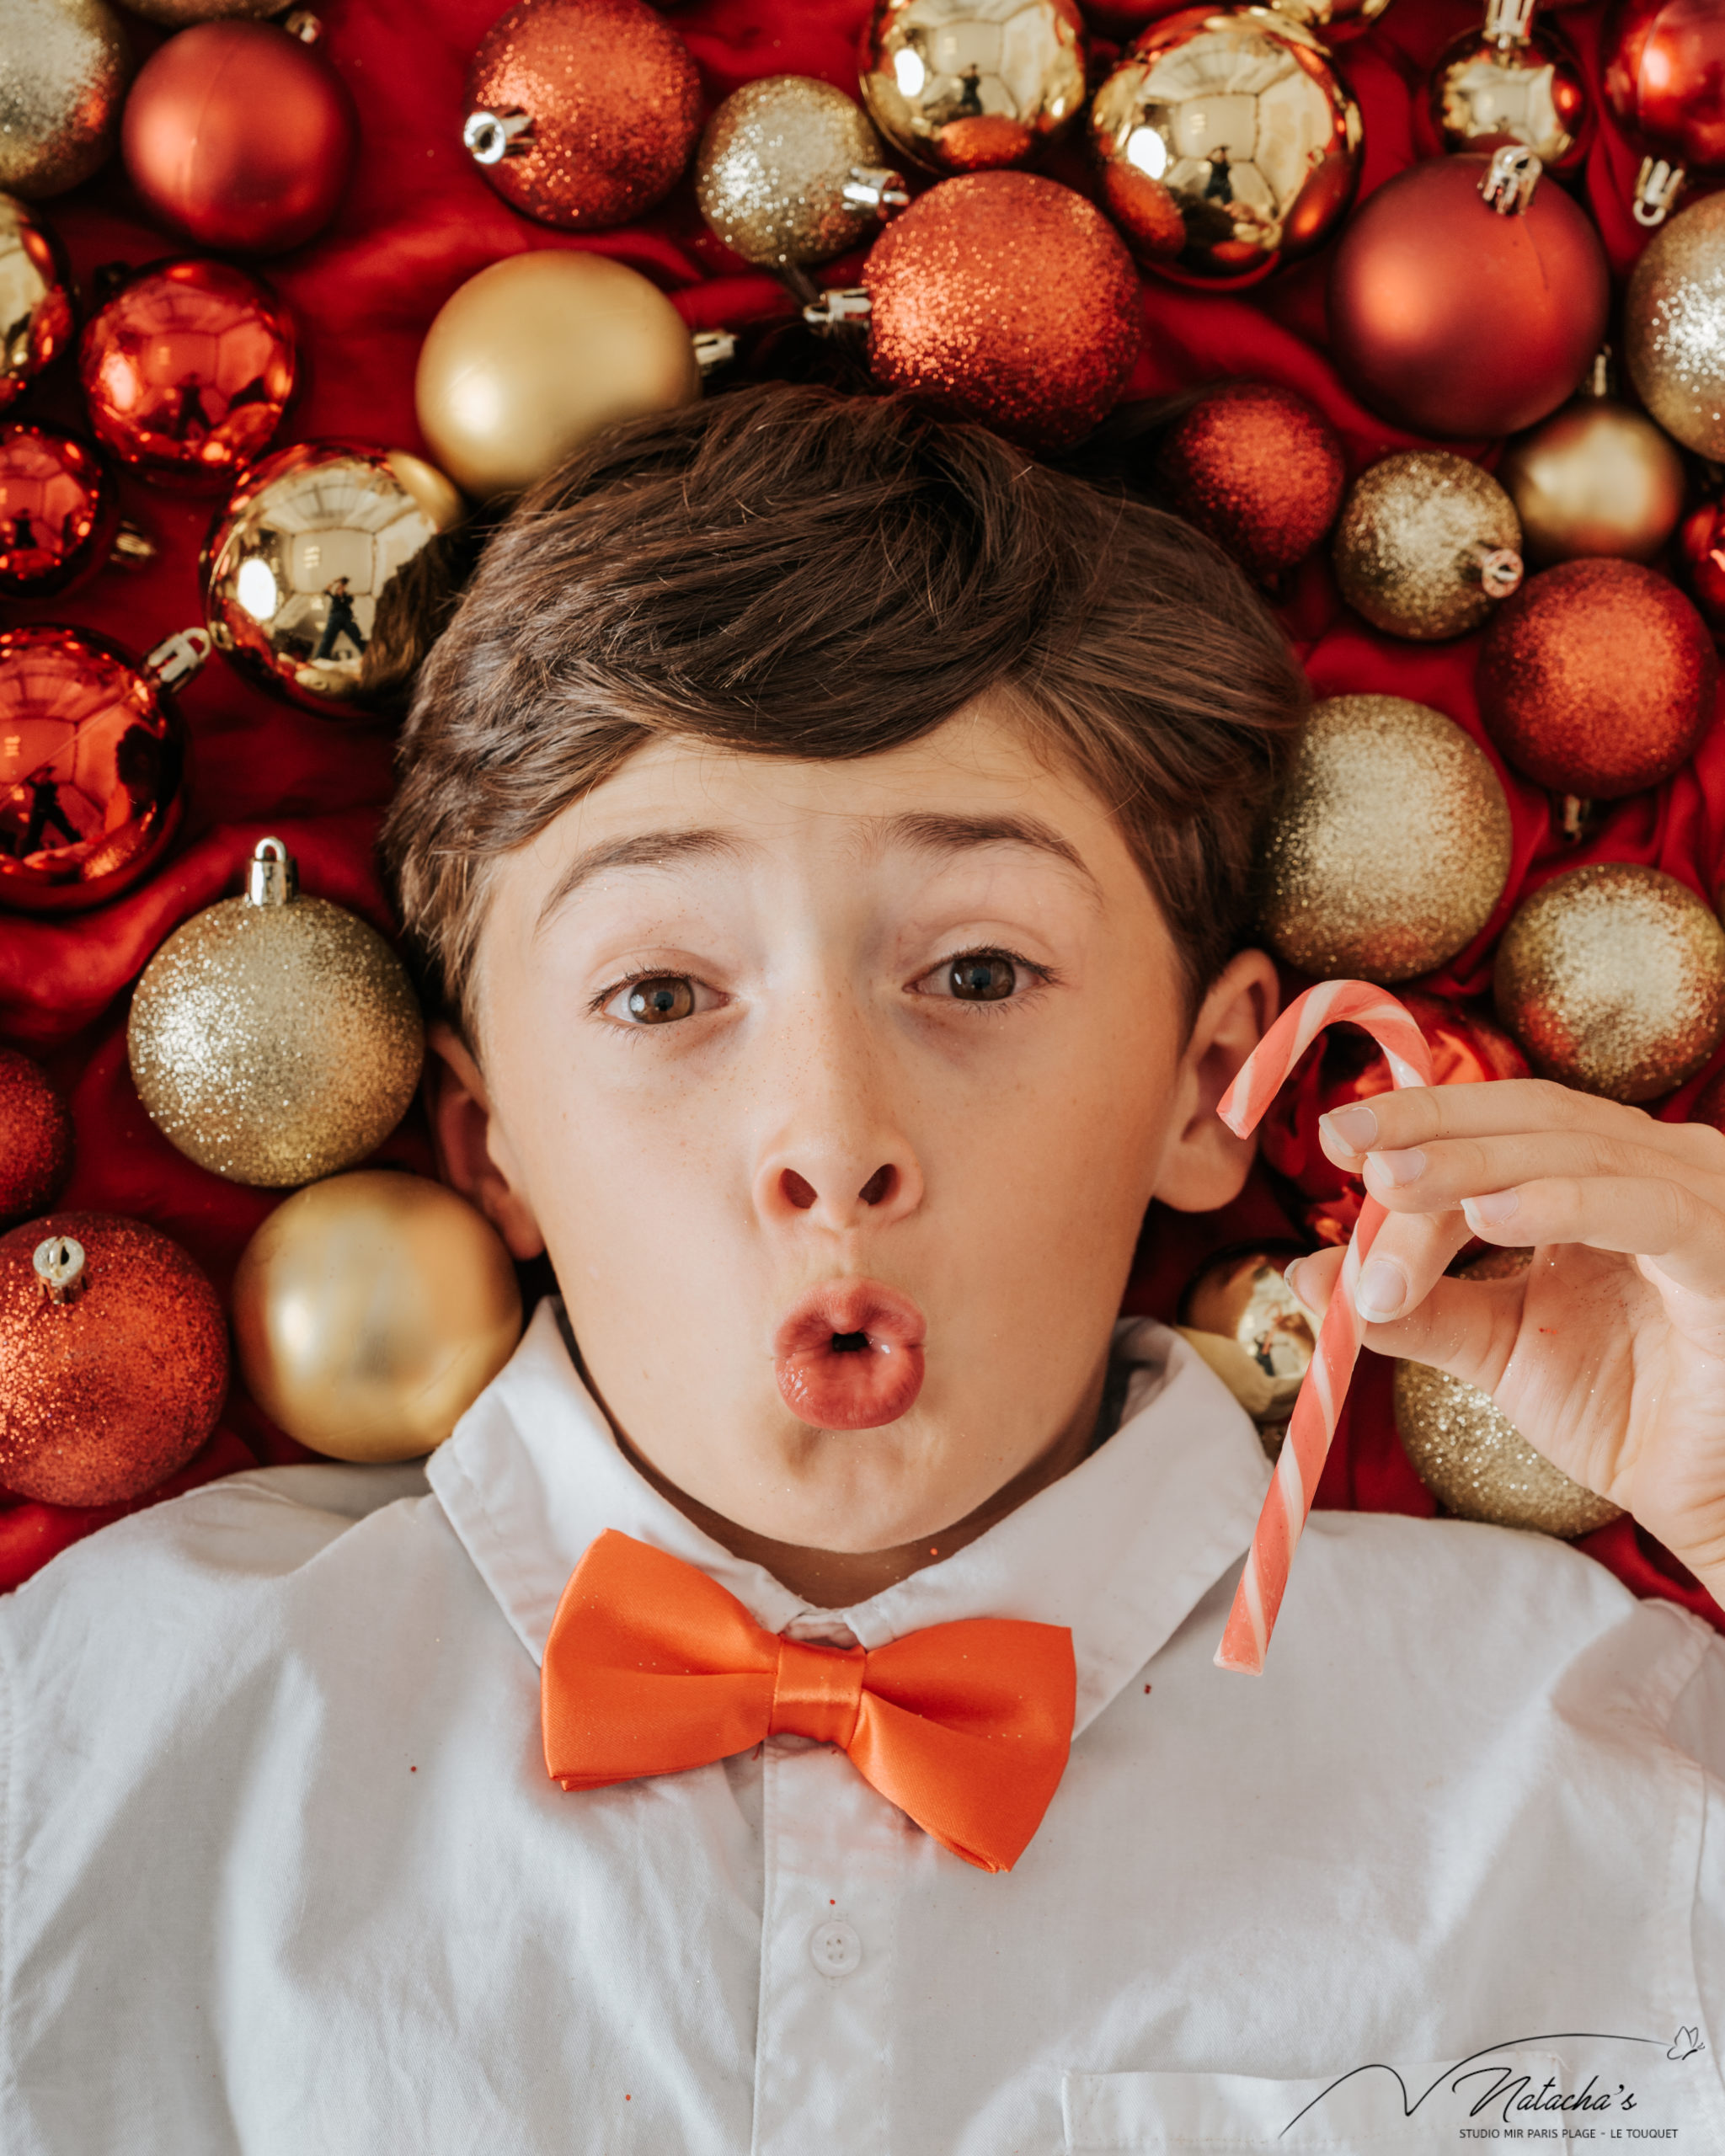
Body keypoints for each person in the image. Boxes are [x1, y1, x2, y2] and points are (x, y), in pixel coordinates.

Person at [4, 385, 1725, 2153]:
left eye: (976, 973)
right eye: (662, 995)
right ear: (488, 1139)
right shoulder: (95, 1733)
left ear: (1216, 1085)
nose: (828, 1133)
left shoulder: (1599, 1761)